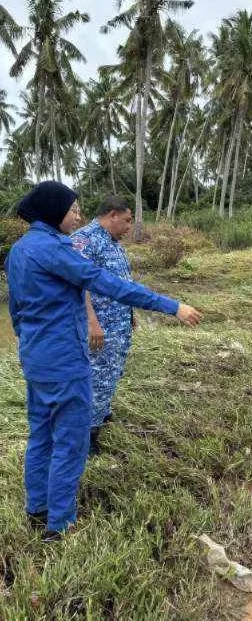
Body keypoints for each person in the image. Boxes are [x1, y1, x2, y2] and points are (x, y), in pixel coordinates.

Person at [5, 181, 202, 541]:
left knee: (41, 435)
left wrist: (31, 343)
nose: (78, 215)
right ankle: (59, 525)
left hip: (36, 359)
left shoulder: (19, 251)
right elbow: (106, 283)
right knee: (70, 440)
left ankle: (37, 509)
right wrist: (172, 306)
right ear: (53, 211)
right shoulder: (53, 250)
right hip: (65, 361)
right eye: (73, 209)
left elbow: (16, 310)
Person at [70, 196, 139, 455]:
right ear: (112, 215)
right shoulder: (84, 240)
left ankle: (102, 415)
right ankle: (87, 436)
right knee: (96, 378)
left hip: (117, 325)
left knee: (110, 374)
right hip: (99, 329)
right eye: (126, 221)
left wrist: (129, 313)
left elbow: (122, 282)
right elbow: (78, 284)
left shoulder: (114, 243)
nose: (128, 227)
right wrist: (91, 322)